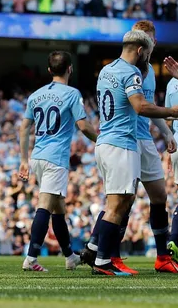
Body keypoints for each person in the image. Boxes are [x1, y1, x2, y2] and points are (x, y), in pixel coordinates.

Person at [81, 20, 178, 274]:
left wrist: (166, 131)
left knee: (158, 195)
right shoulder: (132, 71)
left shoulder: (131, 70)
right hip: (125, 139)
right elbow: (141, 106)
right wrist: (172, 113)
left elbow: (149, 105)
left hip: (141, 138)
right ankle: (107, 255)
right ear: (139, 46)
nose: (148, 46)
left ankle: (161, 257)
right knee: (123, 199)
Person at [19, 51, 97, 271]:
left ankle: (70, 256)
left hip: (38, 157)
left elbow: (24, 127)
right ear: (70, 69)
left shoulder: (35, 95)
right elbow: (83, 126)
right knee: (45, 205)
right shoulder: (72, 94)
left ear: (49, 70)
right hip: (56, 159)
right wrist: (100, 140)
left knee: (58, 208)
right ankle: (31, 258)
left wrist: (23, 160)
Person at [164, 56, 178, 262]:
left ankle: (174, 239)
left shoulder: (171, 83)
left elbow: (168, 119)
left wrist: (169, 144)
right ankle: (174, 239)